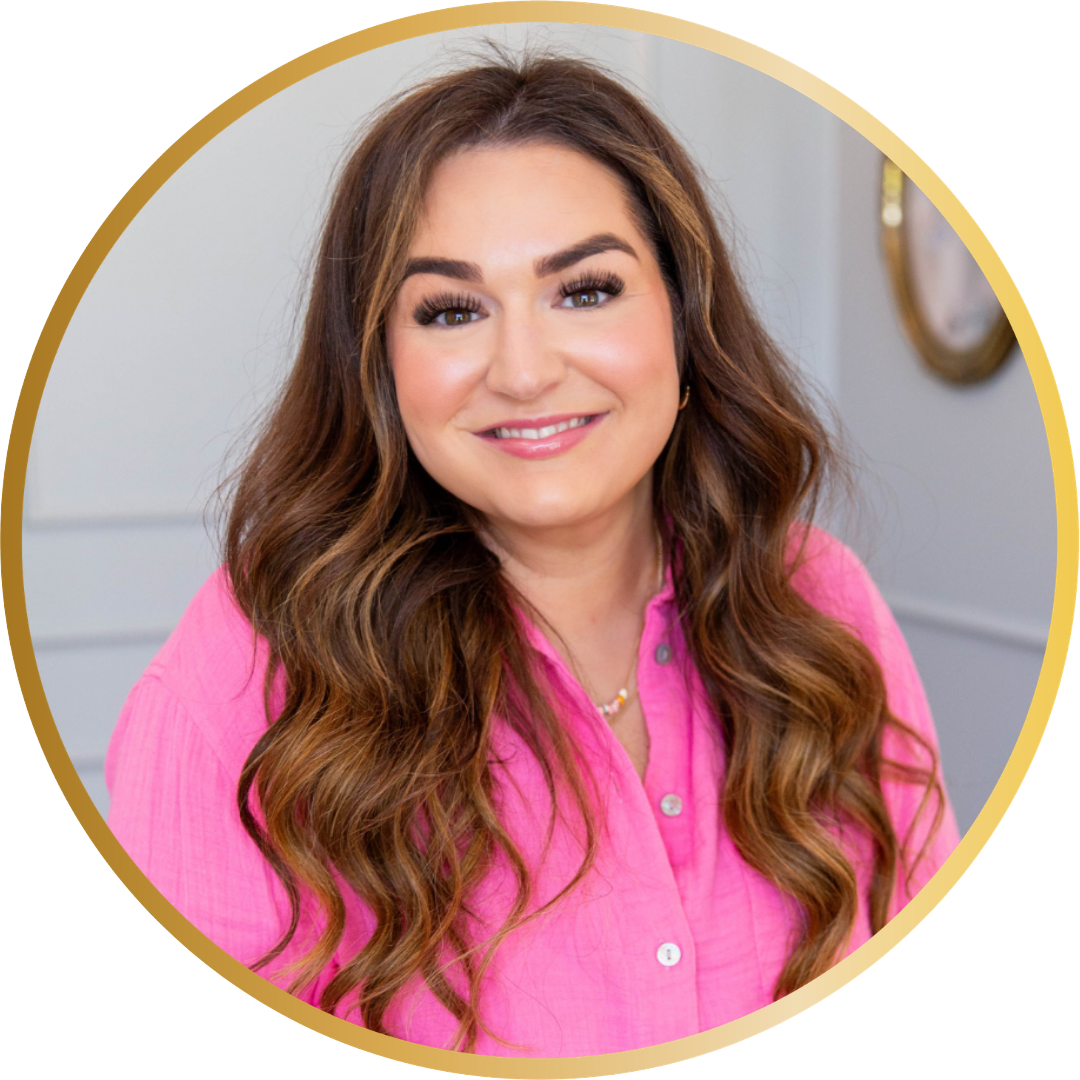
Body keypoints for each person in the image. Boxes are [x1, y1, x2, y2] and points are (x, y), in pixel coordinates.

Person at [105, 50, 959, 1058]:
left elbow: (939, 1004)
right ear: (382, 366)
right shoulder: (245, 671)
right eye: (452, 310)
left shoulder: (819, 601)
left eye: (586, 291)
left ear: (684, 326)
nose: (524, 370)